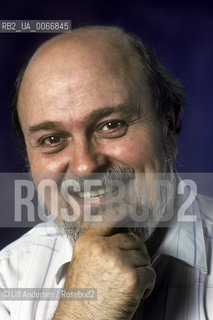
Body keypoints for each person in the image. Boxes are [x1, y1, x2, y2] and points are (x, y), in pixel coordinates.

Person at [0, 25, 212, 319]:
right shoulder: (6, 282)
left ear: (168, 127)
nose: (86, 166)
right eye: (52, 140)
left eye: (111, 125)